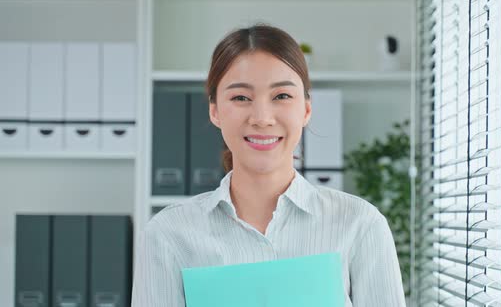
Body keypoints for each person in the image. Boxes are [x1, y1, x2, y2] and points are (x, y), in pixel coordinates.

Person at [131, 24, 406, 307]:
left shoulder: (361, 225)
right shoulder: (168, 233)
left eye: (281, 96)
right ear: (214, 110)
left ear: (306, 109)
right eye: (240, 98)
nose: (262, 118)